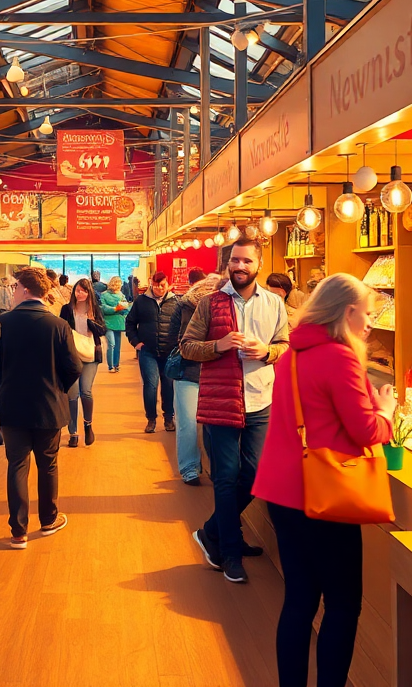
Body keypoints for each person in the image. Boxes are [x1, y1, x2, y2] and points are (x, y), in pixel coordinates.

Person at [252, 274, 397, 687]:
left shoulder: (293, 352)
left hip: (283, 490)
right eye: (367, 314)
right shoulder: (340, 356)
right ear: (347, 311)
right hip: (326, 494)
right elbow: (366, 431)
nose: (370, 322)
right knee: (343, 604)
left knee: (298, 601)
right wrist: (385, 411)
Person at [183, 238, 290, 583]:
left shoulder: (274, 303)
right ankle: (229, 551)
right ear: (228, 264)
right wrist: (219, 345)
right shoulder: (210, 303)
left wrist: (267, 351)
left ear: (258, 263)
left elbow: (285, 346)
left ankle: (212, 531)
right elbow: (187, 347)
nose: (239, 266)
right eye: (234, 260)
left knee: (257, 475)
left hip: (261, 400)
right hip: (222, 400)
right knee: (226, 478)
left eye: (246, 261)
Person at [0, 267, 82, 549]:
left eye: (14, 287)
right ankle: (48, 519)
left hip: (11, 404)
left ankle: (18, 530)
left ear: (24, 289)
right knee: (48, 464)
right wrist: (58, 387)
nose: (12, 292)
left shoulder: (1, 323)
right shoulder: (57, 325)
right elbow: (74, 367)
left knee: (17, 465)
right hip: (49, 404)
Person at [170, 271, 222, 485]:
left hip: (206, 371)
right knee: (190, 422)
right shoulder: (190, 306)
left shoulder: (185, 303)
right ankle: (191, 468)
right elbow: (184, 343)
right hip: (192, 370)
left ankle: (194, 468)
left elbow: (174, 335)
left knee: (192, 422)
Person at [126, 271, 180, 433]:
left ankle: (169, 418)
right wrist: (136, 342)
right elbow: (129, 323)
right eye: (156, 286)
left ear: (167, 283)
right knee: (150, 385)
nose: (159, 289)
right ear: (151, 284)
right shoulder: (141, 301)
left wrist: (179, 345)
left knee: (169, 386)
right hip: (147, 351)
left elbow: (183, 324)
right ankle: (151, 419)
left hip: (169, 352)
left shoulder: (176, 302)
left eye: (162, 285)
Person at [61, 278, 107, 448]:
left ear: (89, 293)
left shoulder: (94, 310)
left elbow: (103, 330)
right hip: (71, 355)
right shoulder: (66, 309)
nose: (79, 293)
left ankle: (88, 424)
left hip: (90, 354)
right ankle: (73, 432)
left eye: (83, 291)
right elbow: (61, 330)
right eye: (77, 290)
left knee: (86, 390)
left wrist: (90, 321)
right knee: (72, 395)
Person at [100, 277, 130, 373]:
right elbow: (103, 308)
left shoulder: (120, 295)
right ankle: (111, 366)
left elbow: (126, 308)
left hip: (117, 322)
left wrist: (122, 309)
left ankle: (116, 365)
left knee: (116, 345)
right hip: (109, 323)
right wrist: (117, 309)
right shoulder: (105, 295)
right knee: (112, 344)